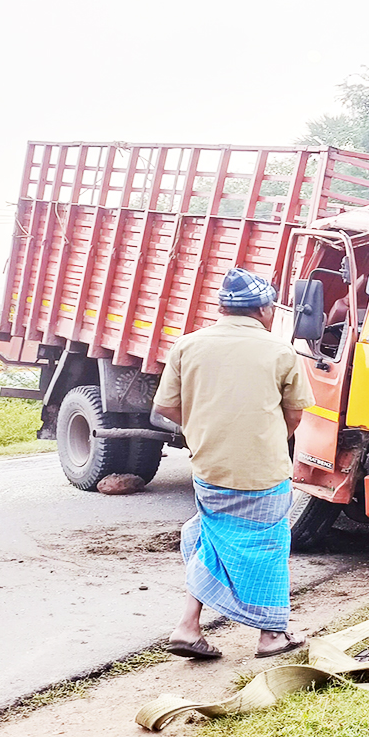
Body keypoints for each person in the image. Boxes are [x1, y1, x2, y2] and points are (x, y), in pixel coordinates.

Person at [153, 267, 315, 660]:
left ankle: (188, 626)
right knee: (267, 546)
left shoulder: (187, 345)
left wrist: (203, 429)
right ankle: (271, 636)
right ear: (263, 309)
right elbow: (296, 413)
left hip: (209, 469)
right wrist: (270, 437)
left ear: (223, 308)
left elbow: (165, 408)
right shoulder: (280, 351)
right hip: (263, 471)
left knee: (211, 537)